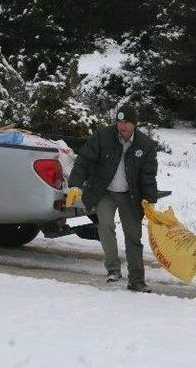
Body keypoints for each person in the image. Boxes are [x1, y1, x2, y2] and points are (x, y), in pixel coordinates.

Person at [65, 105, 158, 293]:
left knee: (133, 235)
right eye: (119, 122)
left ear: (134, 124)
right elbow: (84, 160)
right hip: (104, 191)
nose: (121, 126)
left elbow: (148, 176)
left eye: (126, 122)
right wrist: (75, 184)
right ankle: (113, 270)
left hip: (130, 195)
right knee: (106, 226)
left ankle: (137, 279)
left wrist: (150, 200)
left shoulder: (145, 145)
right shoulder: (103, 136)